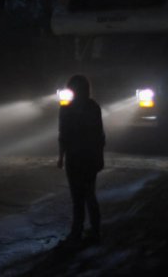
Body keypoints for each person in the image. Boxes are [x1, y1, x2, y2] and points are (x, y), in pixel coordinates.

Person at [58, 74, 105, 245]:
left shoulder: (66, 109)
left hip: (76, 158)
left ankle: (77, 232)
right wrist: (99, 158)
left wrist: (61, 157)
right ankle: (94, 231)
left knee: (78, 198)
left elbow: (63, 135)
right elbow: (99, 136)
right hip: (87, 157)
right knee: (88, 195)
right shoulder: (93, 107)